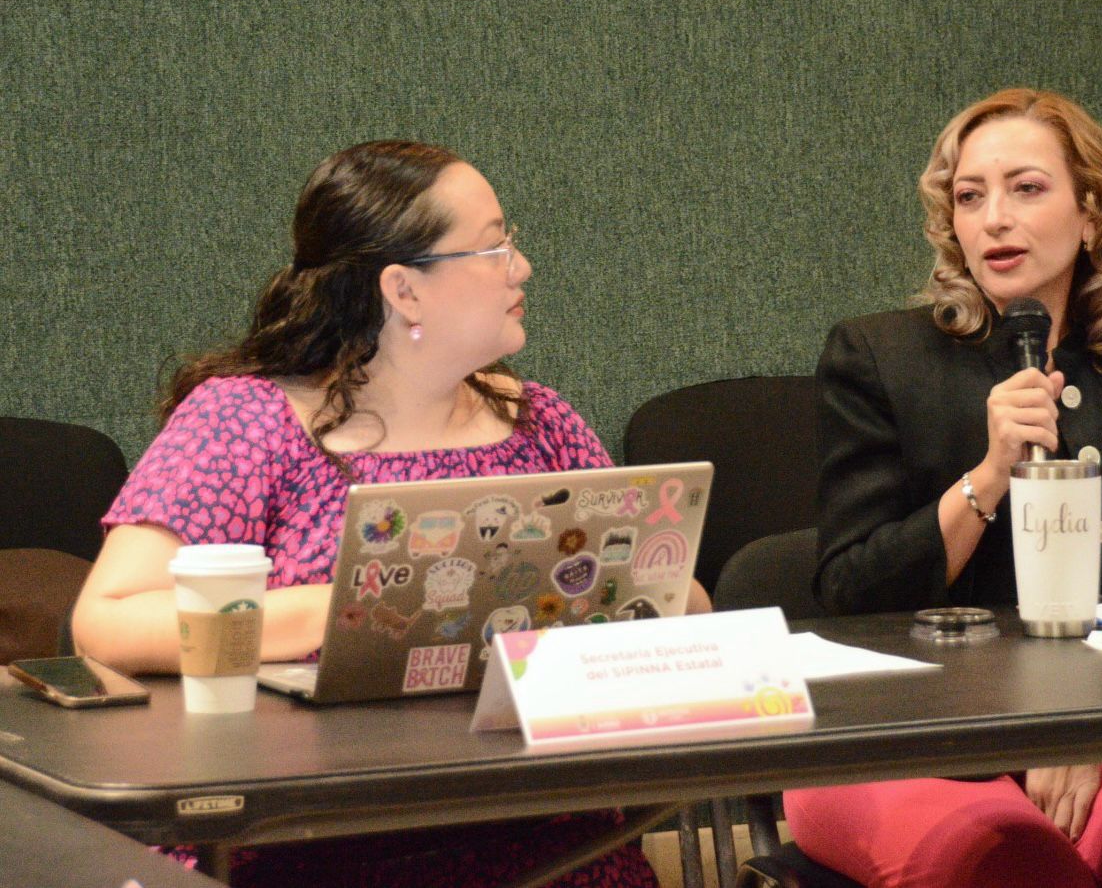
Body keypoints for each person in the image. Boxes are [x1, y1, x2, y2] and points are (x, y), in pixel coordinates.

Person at [72, 139, 707, 887]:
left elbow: (675, 599)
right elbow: (107, 622)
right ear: (404, 290)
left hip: (549, 834)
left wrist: (657, 602)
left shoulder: (542, 423)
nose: (522, 267)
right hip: (311, 840)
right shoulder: (247, 421)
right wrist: (340, 614)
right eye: (494, 247)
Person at [783, 90, 1102, 888]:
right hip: (916, 737)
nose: (995, 219)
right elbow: (852, 594)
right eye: (970, 197)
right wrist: (989, 474)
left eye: (1027, 188)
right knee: (1001, 859)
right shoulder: (877, 357)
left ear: (1091, 212)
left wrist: (1089, 727)